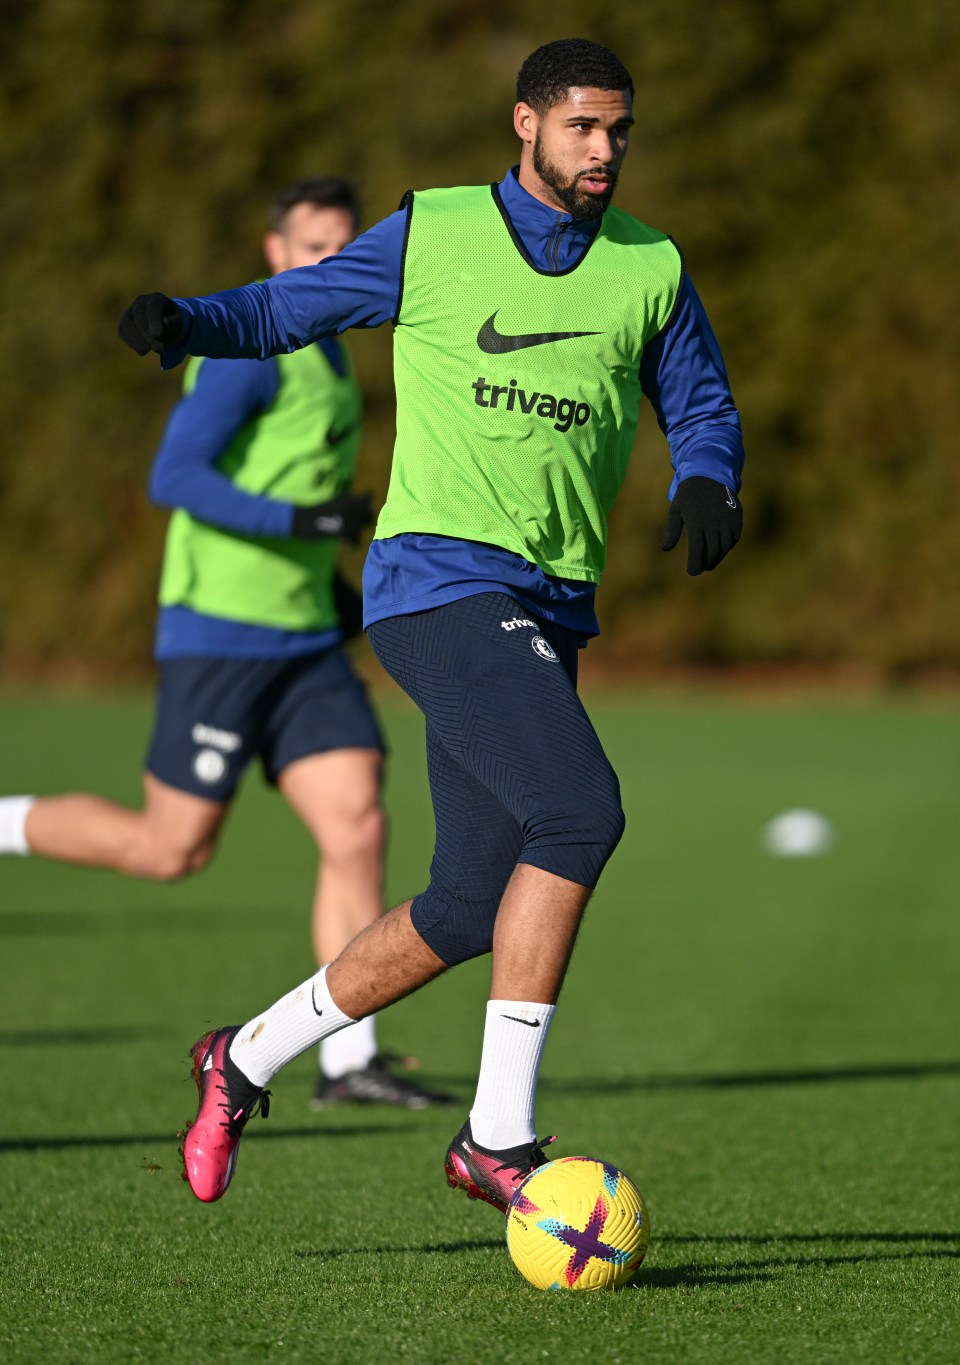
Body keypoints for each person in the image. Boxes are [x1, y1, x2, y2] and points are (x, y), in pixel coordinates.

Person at [116, 38, 745, 1210]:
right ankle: (497, 1138)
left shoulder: (650, 265)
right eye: (582, 128)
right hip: (435, 582)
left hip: (551, 604)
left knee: (464, 901)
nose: (604, 150)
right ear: (526, 125)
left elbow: (699, 398)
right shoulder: (435, 232)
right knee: (578, 811)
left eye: (620, 131)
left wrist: (708, 476)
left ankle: (239, 1059)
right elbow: (286, 307)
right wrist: (188, 321)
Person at [0, 177, 452, 1112]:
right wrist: (300, 516)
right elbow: (177, 476)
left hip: (303, 643)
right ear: (275, 252)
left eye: (344, 245)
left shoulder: (332, 351)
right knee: (172, 850)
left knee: (357, 819)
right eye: (312, 247)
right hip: (221, 635)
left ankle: (347, 1059)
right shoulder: (254, 355)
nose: (331, 262)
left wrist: (326, 579)